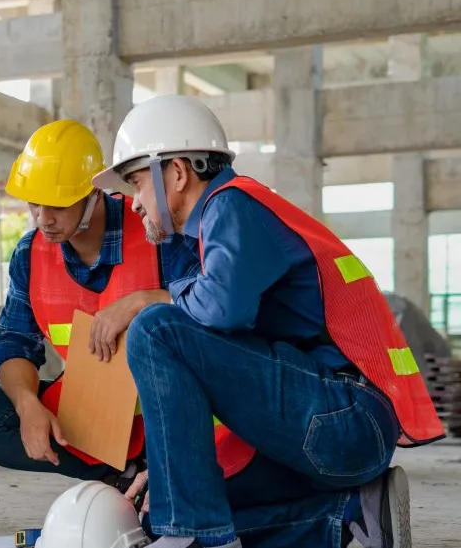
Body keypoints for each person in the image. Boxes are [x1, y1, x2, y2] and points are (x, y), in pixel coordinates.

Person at [90, 93, 443, 548]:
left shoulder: (231, 205)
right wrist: (170, 475)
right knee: (181, 505)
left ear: (176, 173)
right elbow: (235, 365)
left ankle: (190, 536)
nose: (134, 203)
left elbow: (222, 309)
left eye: (137, 183)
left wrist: (146, 299)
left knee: (155, 327)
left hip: (345, 418)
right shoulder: (223, 224)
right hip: (334, 427)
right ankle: (349, 512)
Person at [0, 120, 198, 493]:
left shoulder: (155, 231)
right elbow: (15, 340)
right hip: (95, 414)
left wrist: (144, 301)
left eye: (58, 205)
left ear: (94, 192)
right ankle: (120, 476)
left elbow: (209, 308)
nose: (43, 218)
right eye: (34, 204)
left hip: (168, 408)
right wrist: (27, 405)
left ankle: (165, 468)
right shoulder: (30, 254)